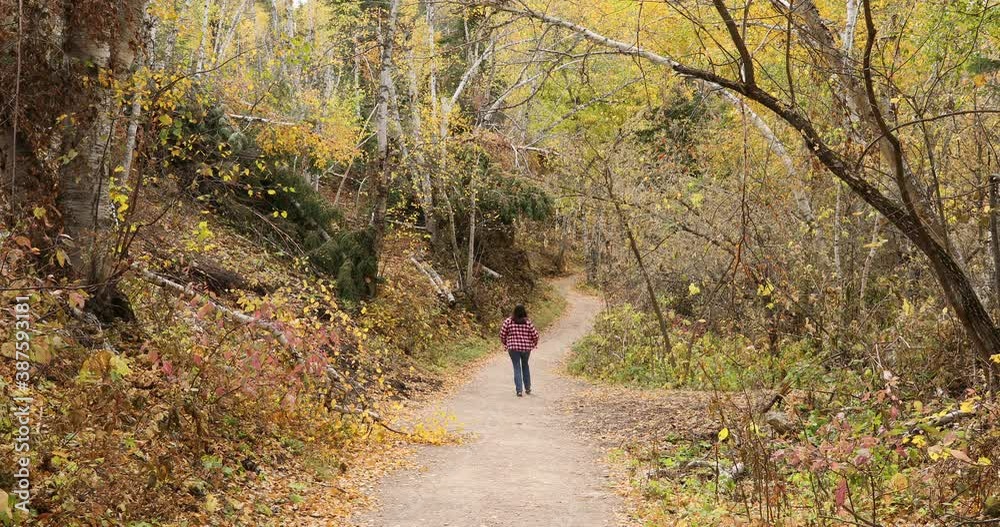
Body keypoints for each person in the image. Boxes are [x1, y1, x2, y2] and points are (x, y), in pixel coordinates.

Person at [499, 304, 540, 397]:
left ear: (514, 311)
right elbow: (535, 335)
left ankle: (519, 391)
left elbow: (502, 334)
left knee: (516, 367)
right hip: (526, 348)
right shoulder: (528, 322)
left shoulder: (508, 321)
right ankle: (528, 388)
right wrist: (534, 343)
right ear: (524, 312)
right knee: (525, 365)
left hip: (513, 348)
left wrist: (505, 343)